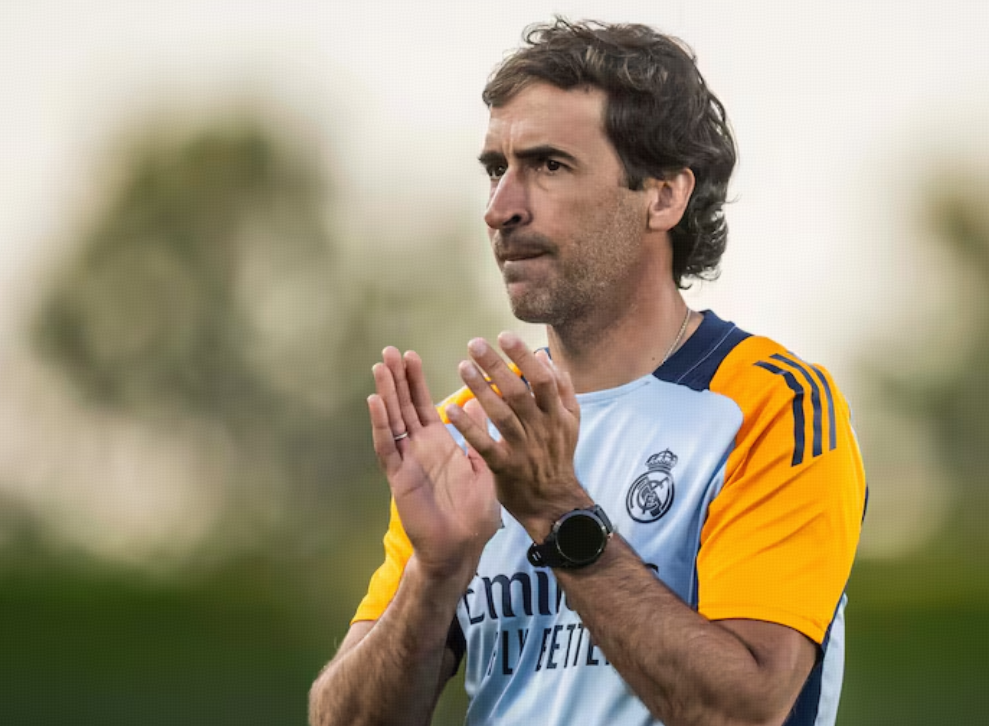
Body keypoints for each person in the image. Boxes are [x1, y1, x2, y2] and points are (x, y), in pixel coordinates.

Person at [308, 18, 865, 726]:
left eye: (549, 165)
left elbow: (743, 710)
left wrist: (556, 512)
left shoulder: (771, 405)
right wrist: (434, 574)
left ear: (664, 196)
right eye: (496, 169)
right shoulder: (470, 432)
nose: (501, 209)